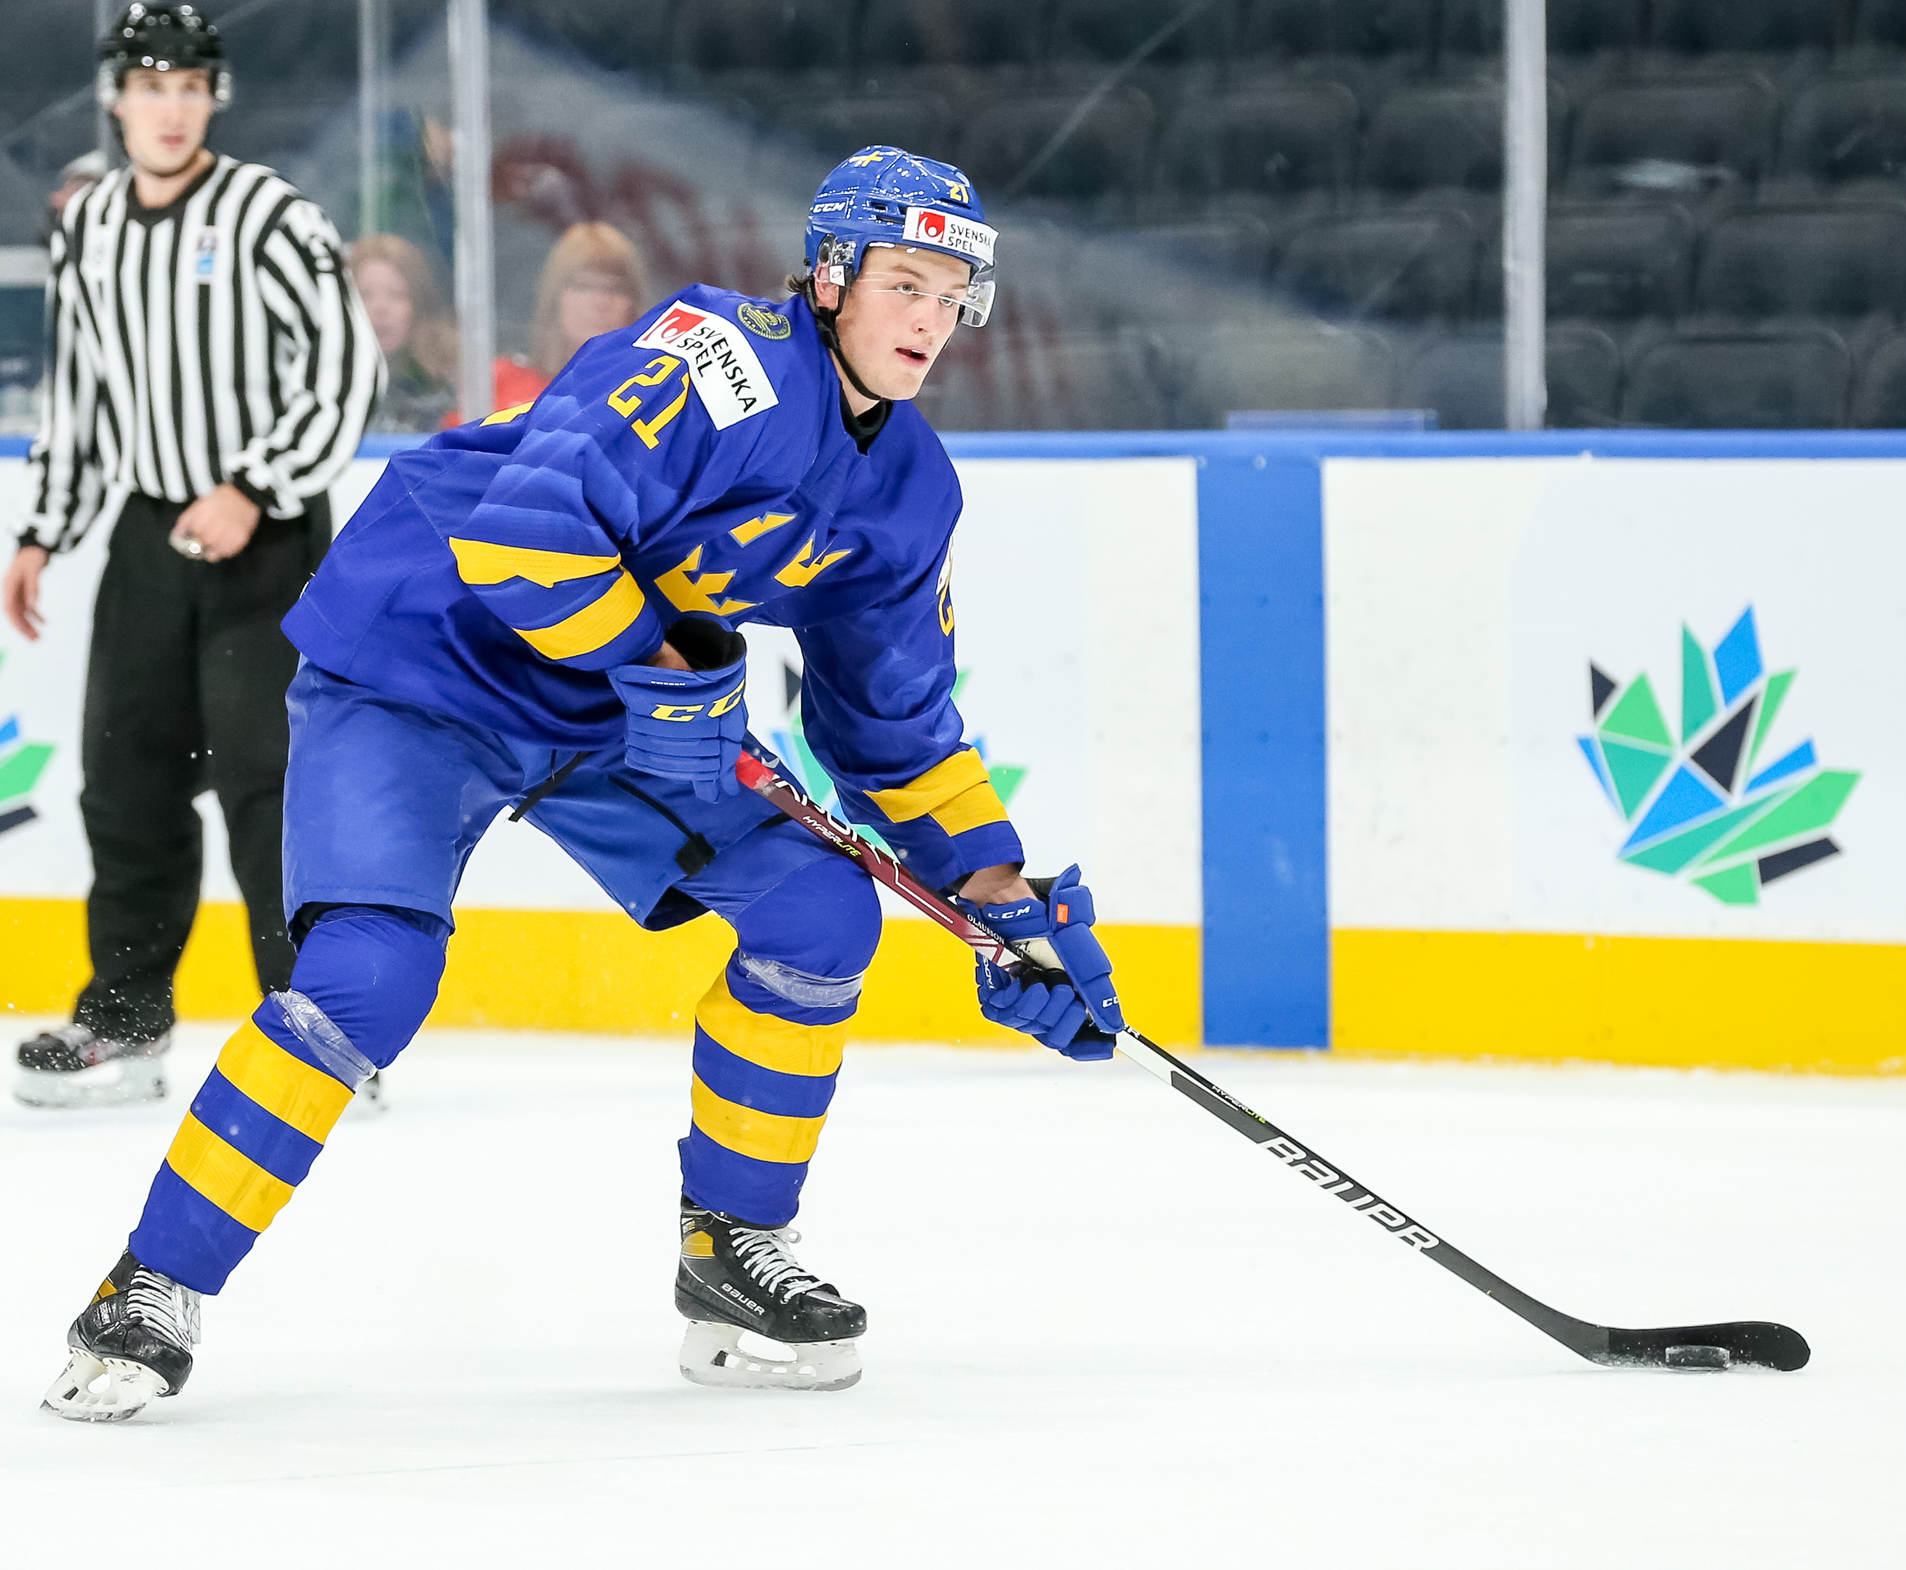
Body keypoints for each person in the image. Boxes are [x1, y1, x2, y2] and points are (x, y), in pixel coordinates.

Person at [39, 144, 1124, 1423]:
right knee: (369, 977)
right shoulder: (715, 360)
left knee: (820, 913)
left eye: (950, 295)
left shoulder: (909, 491)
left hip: (608, 704)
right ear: (830, 275)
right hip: (421, 662)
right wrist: (669, 670)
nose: (929, 319)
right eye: (904, 283)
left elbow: (893, 724)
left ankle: (730, 1252)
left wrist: (992, 890)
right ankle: (150, 1285)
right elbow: (525, 534)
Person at [3, 4, 379, 1110]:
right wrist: (43, 529)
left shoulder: (270, 214)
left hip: (268, 537)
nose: (169, 109)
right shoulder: (89, 224)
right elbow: (81, 392)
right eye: (148, 87)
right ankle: (125, 1024)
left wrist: (254, 486)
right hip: (149, 533)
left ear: (214, 97)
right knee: (124, 779)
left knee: (272, 785)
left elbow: (346, 371)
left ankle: (313, 1026)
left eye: (188, 87)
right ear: (115, 99)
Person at [445, 221, 648, 423]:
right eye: (584, 286)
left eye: (615, 289)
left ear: (634, 303)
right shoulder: (497, 382)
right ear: (554, 298)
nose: (600, 302)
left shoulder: (653, 394)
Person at [349, 233, 458, 433]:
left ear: (418, 304)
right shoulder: (322, 382)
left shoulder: (447, 385)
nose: (381, 308)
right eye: (365, 294)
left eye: (397, 294)